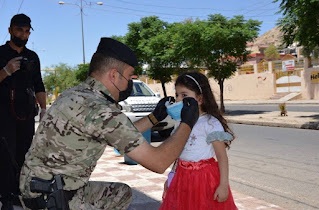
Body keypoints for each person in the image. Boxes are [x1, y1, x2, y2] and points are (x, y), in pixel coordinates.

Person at [19, 37, 199, 210]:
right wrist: (187, 122)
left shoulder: (76, 93)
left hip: (39, 188)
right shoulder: (100, 109)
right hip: (52, 199)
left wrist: (154, 118)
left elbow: (121, 135)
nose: (130, 82)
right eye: (129, 77)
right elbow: (159, 162)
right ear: (114, 75)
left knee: (120, 193)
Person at [160, 72, 237, 210]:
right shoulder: (180, 123)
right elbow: (178, 153)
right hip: (181, 178)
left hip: (204, 179)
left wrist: (223, 185)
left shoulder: (210, 123)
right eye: (177, 95)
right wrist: (171, 176)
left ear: (200, 99)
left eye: (184, 95)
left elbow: (222, 157)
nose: (178, 100)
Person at [0, 14, 46, 209]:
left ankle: (23, 191)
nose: (23, 35)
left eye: (27, 31)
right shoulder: (0, 53)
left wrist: (44, 108)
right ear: (10, 30)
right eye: (19, 30)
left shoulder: (32, 57)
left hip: (27, 115)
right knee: (5, 154)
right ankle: (6, 195)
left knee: (26, 153)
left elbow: (39, 84)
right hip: (3, 115)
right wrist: (6, 71)